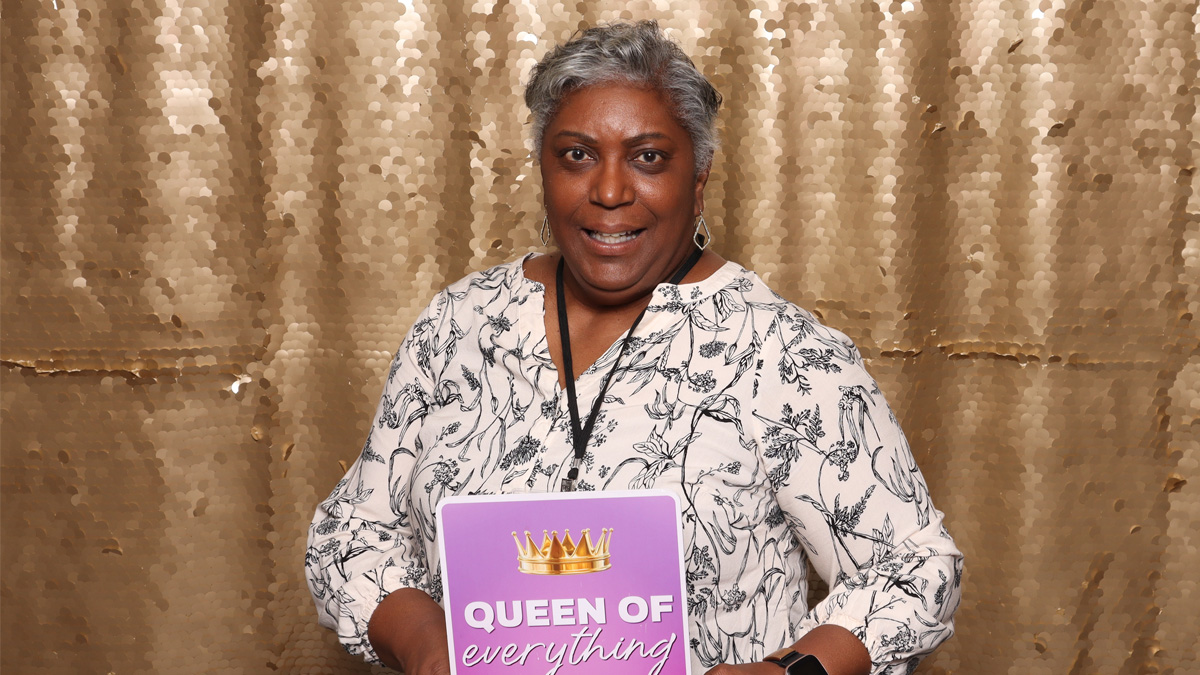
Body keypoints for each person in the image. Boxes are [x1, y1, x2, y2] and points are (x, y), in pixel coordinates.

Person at [306, 20, 962, 675]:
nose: (611, 191)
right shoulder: (460, 324)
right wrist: (423, 640)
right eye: (577, 155)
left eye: (648, 156)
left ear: (699, 177)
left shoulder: (781, 351)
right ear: (543, 168)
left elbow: (913, 569)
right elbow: (356, 533)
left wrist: (785, 672)